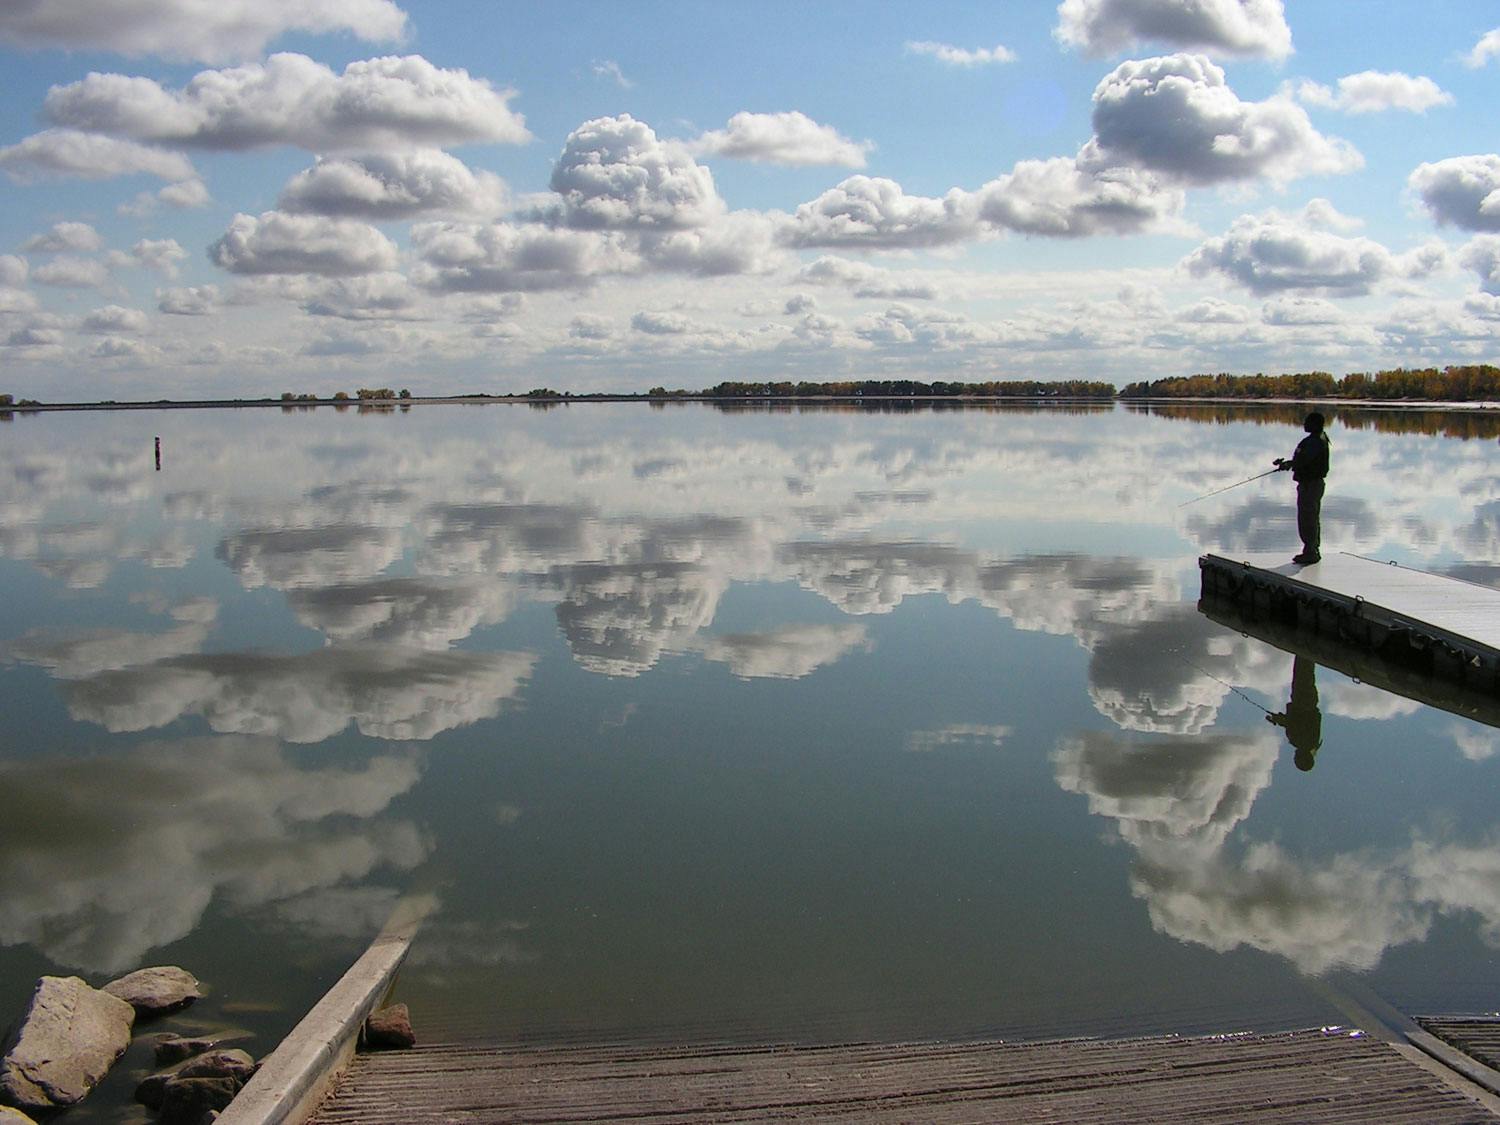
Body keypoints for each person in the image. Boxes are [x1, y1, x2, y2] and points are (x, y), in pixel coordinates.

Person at [1274, 411, 1330, 565]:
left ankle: (1311, 552)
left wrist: (1289, 465)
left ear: (1315, 424)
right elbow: (1304, 460)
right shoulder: (1317, 439)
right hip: (1310, 484)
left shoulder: (1315, 441)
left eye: (1307, 422)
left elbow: (1304, 460)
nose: (1304, 424)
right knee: (1310, 517)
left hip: (1311, 485)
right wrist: (1289, 464)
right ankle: (1311, 550)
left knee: (1308, 518)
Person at [1266, 655, 1322, 771]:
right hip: (1301, 701)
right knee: (1302, 671)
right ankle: (1304, 648)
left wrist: (1279, 720)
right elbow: (1294, 722)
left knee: (1306, 673)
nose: (1294, 757)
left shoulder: (1312, 741)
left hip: (1310, 701)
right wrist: (1279, 720)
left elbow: (1297, 722)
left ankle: (1307, 652)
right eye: (1296, 759)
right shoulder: (1297, 740)